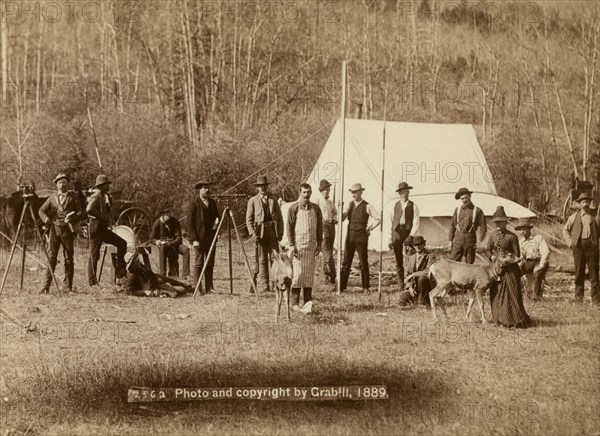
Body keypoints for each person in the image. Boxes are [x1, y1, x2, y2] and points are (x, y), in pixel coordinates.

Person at [38, 173, 83, 294]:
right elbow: (41, 210)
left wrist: (72, 220)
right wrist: (46, 219)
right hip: (54, 231)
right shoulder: (52, 197)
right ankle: (45, 287)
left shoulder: (73, 197)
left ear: (67, 183)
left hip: (68, 231)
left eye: (64, 182)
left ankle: (68, 287)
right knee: (51, 258)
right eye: (59, 182)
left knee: (68, 259)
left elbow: (80, 212)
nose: (62, 185)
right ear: (56, 185)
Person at [486, 206, 530, 328]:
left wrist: (507, 258)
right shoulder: (492, 235)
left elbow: (517, 254)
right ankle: (498, 318)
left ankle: (513, 320)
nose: (499, 224)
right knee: (496, 292)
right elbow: (488, 250)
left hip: (510, 270)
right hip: (496, 269)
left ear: (506, 222)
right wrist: (491, 257)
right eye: (497, 222)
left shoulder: (512, 236)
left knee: (511, 293)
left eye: (501, 221)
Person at [339, 183, 381, 294]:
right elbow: (341, 219)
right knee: (346, 262)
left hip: (361, 237)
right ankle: (341, 287)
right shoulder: (349, 205)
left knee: (363, 262)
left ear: (361, 192)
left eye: (356, 192)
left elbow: (378, 218)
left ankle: (366, 287)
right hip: (350, 237)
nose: (353, 194)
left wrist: (369, 229)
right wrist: (341, 210)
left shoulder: (367, 206)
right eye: (352, 192)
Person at [287, 183, 323, 311]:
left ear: (311, 193)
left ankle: (308, 302)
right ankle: (294, 303)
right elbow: (289, 228)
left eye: (308, 192)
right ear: (300, 193)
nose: (306, 195)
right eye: (304, 192)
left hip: (311, 247)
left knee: (309, 276)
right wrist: (292, 245)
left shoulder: (316, 209)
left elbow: (319, 228)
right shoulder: (293, 208)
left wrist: (319, 244)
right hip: (298, 247)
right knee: (297, 275)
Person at [87, 174, 127, 286]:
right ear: (101, 186)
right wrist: (100, 216)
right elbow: (89, 209)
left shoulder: (105, 196)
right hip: (96, 227)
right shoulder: (96, 195)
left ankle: (121, 274)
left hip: (103, 228)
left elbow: (108, 210)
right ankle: (92, 282)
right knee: (94, 255)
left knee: (122, 243)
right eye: (106, 185)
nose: (109, 187)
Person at [246, 175, 284, 293]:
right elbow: (249, 219)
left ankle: (275, 283)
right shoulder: (253, 201)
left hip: (272, 232)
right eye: (260, 186)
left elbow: (280, 218)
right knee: (262, 260)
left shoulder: (273, 200)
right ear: (257, 188)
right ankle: (264, 285)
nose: (263, 188)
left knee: (275, 258)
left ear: (267, 187)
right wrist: (252, 233)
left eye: (264, 186)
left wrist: (280, 233)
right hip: (260, 233)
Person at [563, 193, 599, 305]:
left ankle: (596, 301)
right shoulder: (574, 217)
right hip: (578, 248)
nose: (586, 204)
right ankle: (578, 300)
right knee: (579, 273)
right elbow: (565, 230)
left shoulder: (595, 217)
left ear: (590, 203)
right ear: (579, 204)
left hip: (592, 248)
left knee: (594, 274)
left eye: (587, 202)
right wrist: (570, 243)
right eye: (583, 202)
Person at [187, 181, 220, 294]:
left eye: (208, 188)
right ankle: (198, 287)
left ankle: (209, 287)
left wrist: (217, 220)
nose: (207, 190)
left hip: (211, 238)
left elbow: (217, 216)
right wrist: (194, 239)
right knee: (199, 263)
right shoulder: (194, 203)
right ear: (199, 190)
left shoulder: (212, 202)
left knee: (210, 263)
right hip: (199, 239)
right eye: (204, 188)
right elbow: (189, 223)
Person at [388, 181, 420, 291]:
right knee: (398, 260)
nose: (405, 194)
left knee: (411, 259)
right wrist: (390, 238)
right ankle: (401, 285)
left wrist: (411, 235)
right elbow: (391, 222)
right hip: (397, 232)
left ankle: (411, 284)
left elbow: (416, 222)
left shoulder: (414, 205)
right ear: (399, 193)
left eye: (406, 192)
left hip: (408, 232)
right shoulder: (394, 205)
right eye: (402, 192)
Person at [120, 252, 192, 298]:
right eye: (137, 261)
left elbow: (151, 274)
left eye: (138, 260)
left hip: (155, 283)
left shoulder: (140, 267)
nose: (139, 262)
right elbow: (129, 291)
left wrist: (156, 286)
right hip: (150, 289)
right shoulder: (131, 275)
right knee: (181, 291)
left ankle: (185, 285)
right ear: (132, 265)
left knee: (161, 278)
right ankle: (178, 288)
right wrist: (145, 292)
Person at [150, 202, 190, 278]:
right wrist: (157, 241)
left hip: (174, 244)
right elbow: (152, 238)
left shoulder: (175, 222)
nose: (170, 214)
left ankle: (185, 274)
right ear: (163, 214)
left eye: (170, 212)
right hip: (163, 244)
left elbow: (178, 237)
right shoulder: (157, 223)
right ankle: (162, 274)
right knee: (162, 248)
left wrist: (171, 243)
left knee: (186, 249)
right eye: (167, 212)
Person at [448, 187, 487, 264]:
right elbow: (452, 225)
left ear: (470, 196)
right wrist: (450, 241)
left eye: (466, 198)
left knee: (469, 265)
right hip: (457, 240)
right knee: (452, 262)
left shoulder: (477, 210)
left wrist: (479, 241)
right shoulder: (457, 210)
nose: (464, 200)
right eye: (462, 199)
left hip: (470, 241)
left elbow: (483, 227)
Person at [515, 219, 550, 301]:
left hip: (539, 260)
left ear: (529, 229)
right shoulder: (521, 242)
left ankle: (536, 297)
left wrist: (541, 265)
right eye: (521, 230)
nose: (522, 232)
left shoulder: (538, 238)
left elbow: (546, 252)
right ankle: (519, 295)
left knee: (537, 273)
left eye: (524, 229)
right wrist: (519, 266)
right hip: (528, 262)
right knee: (515, 273)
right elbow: (521, 257)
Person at [400, 236, 435, 306]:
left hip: (427, 285)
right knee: (401, 301)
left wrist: (413, 275)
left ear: (424, 244)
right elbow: (407, 275)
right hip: (414, 286)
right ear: (413, 246)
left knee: (421, 279)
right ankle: (414, 299)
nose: (418, 247)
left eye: (420, 244)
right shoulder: (411, 258)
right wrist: (409, 287)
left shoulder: (430, 255)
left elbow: (428, 271)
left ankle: (422, 302)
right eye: (415, 245)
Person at [315, 179, 337, 285]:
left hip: (331, 227)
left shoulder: (330, 202)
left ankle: (326, 277)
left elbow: (335, 212)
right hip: (322, 227)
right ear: (322, 190)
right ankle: (333, 276)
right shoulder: (318, 201)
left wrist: (334, 218)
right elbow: (315, 215)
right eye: (326, 189)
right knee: (327, 253)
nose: (328, 191)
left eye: (329, 189)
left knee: (328, 253)